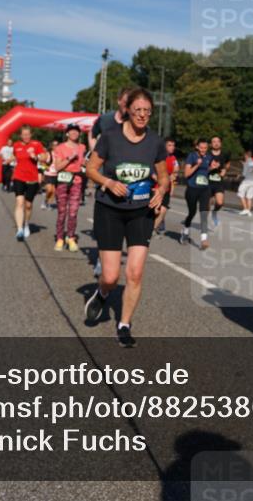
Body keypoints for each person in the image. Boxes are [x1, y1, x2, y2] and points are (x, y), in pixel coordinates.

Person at [84, 88, 168, 348]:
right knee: (111, 276)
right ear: (128, 111)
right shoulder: (109, 137)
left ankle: (124, 324)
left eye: (147, 111)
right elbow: (91, 169)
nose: (142, 115)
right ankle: (102, 292)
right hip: (109, 209)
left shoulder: (155, 142)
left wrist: (161, 190)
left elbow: (164, 176)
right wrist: (109, 182)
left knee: (135, 273)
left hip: (140, 212)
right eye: (138, 110)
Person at [90, 87, 133, 278]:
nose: (128, 104)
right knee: (106, 214)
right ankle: (102, 257)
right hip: (105, 173)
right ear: (119, 101)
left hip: (125, 174)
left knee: (123, 212)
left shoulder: (133, 122)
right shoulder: (106, 119)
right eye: (125, 101)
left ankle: (111, 252)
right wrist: (96, 152)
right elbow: (92, 133)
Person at [11, 125, 49, 241]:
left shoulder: (36, 144)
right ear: (20, 135)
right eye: (24, 135)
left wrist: (35, 156)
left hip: (32, 178)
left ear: (31, 135)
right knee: (19, 202)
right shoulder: (16, 145)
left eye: (28, 134)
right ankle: (19, 229)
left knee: (28, 205)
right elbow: (14, 155)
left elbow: (45, 157)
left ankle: (26, 224)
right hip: (18, 177)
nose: (26, 136)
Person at [53, 125, 85, 251]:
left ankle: (71, 237)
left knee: (73, 212)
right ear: (67, 134)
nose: (74, 133)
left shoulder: (82, 147)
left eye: (76, 131)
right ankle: (60, 238)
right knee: (62, 212)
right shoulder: (60, 148)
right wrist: (69, 158)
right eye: (72, 131)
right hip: (63, 180)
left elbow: (83, 162)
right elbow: (57, 167)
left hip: (77, 181)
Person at [180, 138, 213, 249]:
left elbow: (205, 172)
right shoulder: (192, 156)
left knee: (204, 213)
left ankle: (204, 240)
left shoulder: (208, 157)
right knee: (192, 213)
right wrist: (197, 165)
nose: (203, 150)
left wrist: (211, 168)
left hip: (204, 189)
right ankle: (185, 231)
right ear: (197, 147)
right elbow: (186, 174)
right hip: (192, 189)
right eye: (201, 148)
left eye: (205, 148)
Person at [154, 138, 179, 235]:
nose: (172, 147)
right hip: (156, 187)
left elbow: (175, 172)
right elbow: (154, 173)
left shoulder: (173, 159)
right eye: (170, 145)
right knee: (156, 211)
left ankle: (152, 229)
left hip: (167, 189)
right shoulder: (158, 157)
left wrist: (172, 187)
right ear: (164, 146)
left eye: (173, 145)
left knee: (163, 210)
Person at [207, 135, 231, 226]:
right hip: (208, 182)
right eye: (214, 141)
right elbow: (203, 168)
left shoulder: (224, 154)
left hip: (219, 182)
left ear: (220, 143)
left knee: (220, 203)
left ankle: (215, 212)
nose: (216, 143)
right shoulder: (207, 155)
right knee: (207, 205)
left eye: (218, 141)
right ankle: (205, 221)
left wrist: (225, 170)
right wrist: (211, 168)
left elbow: (228, 163)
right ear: (211, 144)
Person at [237, 149, 253, 216]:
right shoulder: (249, 161)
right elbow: (250, 168)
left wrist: (239, 175)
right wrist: (244, 164)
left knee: (240, 193)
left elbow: (248, 171)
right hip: (252, 181)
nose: (244, 156)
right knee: (249, 196)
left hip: (247, 181)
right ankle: (248, 211)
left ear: (246, 155)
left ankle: (245, 209)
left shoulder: (249, 161)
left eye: (244, 155)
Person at [41, 139, 59, 209]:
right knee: (49, 190)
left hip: (56, 174)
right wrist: (46, 167)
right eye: (54, 145)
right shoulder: (48, 154)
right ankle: (45, 201)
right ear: (51, 146)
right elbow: (42, 162)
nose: (56, 146)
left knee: (53, 191)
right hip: (48, 174)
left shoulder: (60, 154)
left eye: (57, 145)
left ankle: (49, 203)